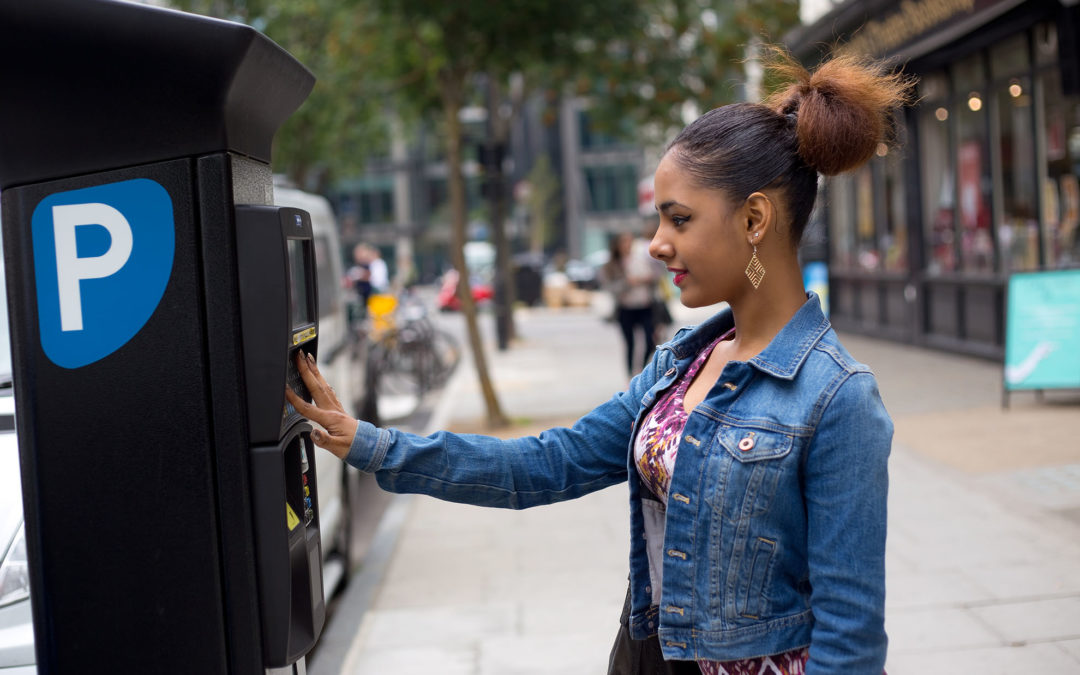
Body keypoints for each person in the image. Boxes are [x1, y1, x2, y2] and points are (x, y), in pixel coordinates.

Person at [287, 50, 908, 674]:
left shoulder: (837, 398)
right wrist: (375, 446)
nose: (656, 244)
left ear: (754, 218)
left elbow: (851, 635)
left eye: (679, 219)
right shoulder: (679, 367)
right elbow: (547, 464)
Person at [601, 231, 661, 375]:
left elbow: (656, 277)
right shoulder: (612, 265)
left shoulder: (641, 259)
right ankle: (630, 375)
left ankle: (641, 370)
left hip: (645, 306)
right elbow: (610, 288)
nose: (627, 245)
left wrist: (647, 279)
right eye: (624, 242)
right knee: (630, 344)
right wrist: (627, 283)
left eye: (629, 241)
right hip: (626, 308)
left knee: (650, 340)